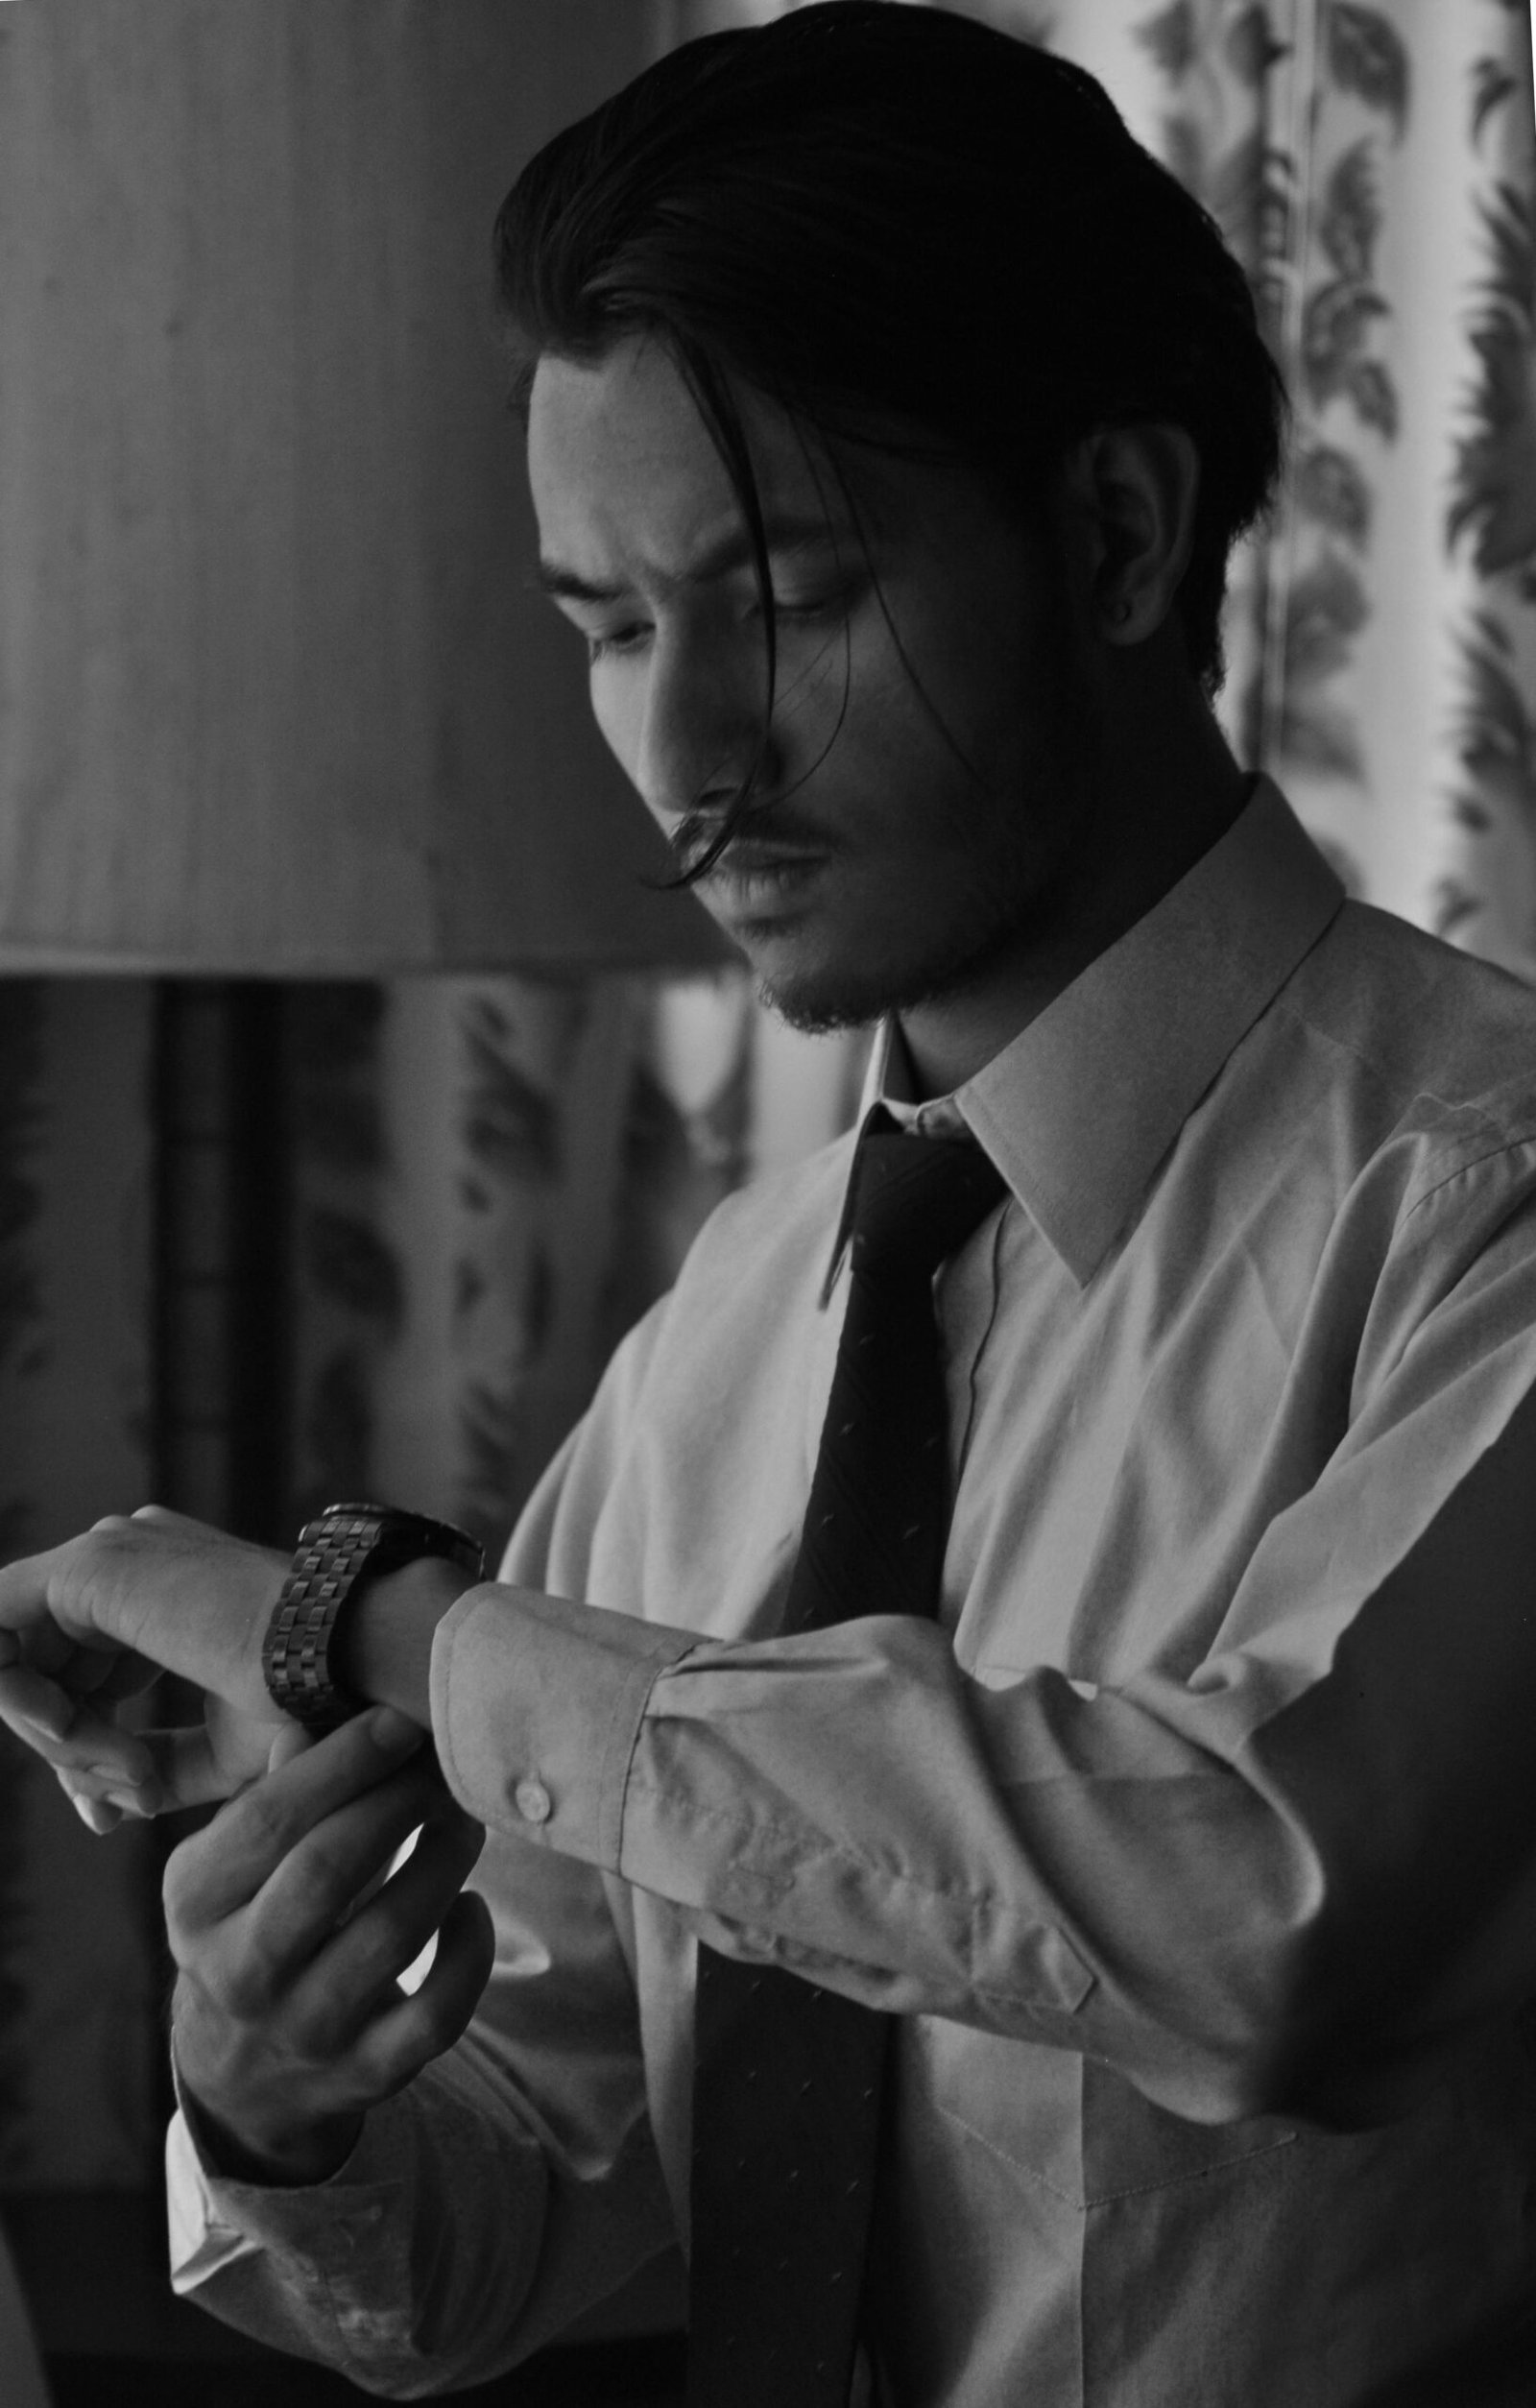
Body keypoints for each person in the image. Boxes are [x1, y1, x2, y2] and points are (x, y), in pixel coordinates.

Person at [2, 6, 1536, 2400]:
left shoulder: (1482, 1210)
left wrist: (369, 1617)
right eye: (610, 631)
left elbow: (1262, 1919)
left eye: (787, 598)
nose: (681, 756)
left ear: (1115, 536)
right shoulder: (739, 1325)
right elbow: (520, 2199)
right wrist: (273, 2110)